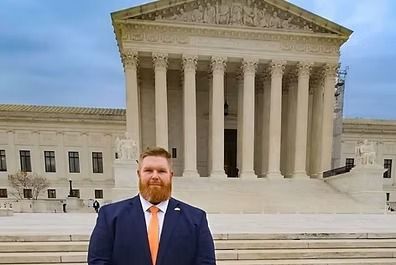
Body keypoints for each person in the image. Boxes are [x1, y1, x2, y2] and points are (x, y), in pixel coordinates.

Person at [88, 147, 216, 265]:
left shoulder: (196, 219)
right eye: (148, 170)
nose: (155, 176)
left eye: (161, 171)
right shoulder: (110, 216)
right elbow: (98, 261)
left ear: (171, 176)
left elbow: (206, 263)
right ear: (139, 174)